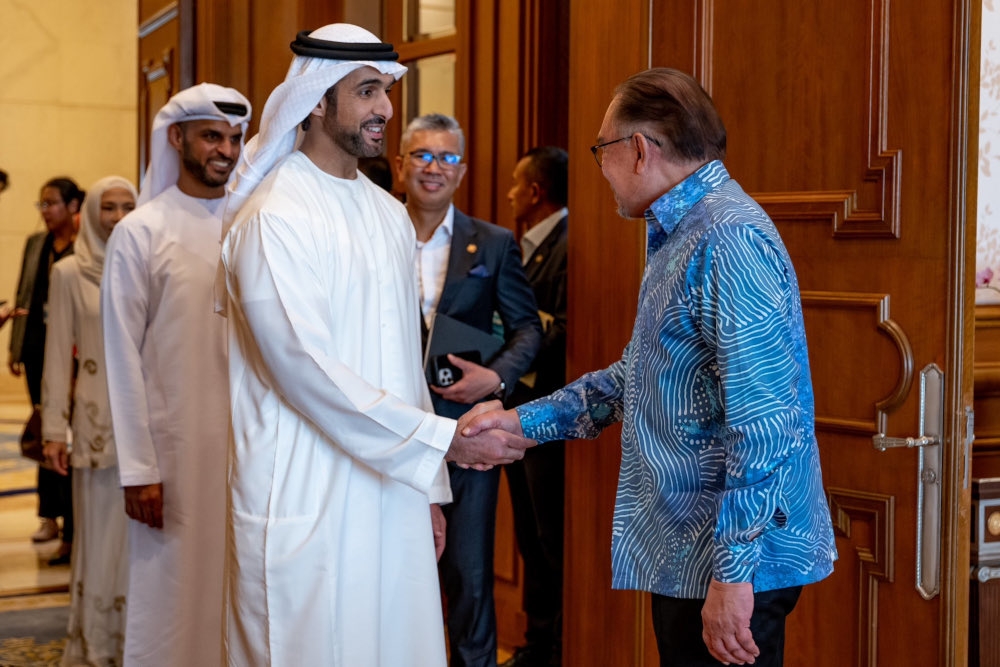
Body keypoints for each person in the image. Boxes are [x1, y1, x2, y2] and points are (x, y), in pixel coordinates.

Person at [464, 67, 838, 667]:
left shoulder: (727, 237)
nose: (600, 171)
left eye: (600, 151)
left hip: (727, 566)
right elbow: (641, 375)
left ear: (638, 149)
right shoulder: (687, 230)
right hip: (696, 556)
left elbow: (765, 422)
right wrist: (522, 424)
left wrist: (732, 576)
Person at [219, 23, 533, 666]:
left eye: (387, 91)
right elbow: (305, 369)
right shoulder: (275, 216)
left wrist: (430, 493)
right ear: (315, 101)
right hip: (303, 494)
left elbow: (401, 364)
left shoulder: (387, 214)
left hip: (392, 494)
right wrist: (441, 442)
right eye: (367, 92)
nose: (386, 109)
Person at [101, 83, 251, 666]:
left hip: (250, 448)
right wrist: (139, 468)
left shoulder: (253, 221)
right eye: (212, 136)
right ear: (177, 138)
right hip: (174, 455)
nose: (226, 151)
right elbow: (121, 356)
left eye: (235, 138)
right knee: (172, 594)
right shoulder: (141, 231)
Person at [394, 113, 541, 667]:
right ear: (402, 162)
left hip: (466, 435)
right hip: (390, 430)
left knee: (469, 574)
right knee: (390, 568)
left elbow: (530, 328)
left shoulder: (495, 243)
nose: (435, 168)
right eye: (423, 155)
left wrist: (497, 379)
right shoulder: (372, 232)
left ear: (462, 169)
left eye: (447, 157)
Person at [42, 176, 137, 667]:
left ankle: (136, 644)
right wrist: (55, 430)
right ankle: (96, 646)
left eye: (127, 206)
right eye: (109, 208)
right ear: (91, 213)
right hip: (97, 428)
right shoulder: (66, 273)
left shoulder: (146, 265)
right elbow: (58, 356)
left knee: (139, 547)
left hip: (147, 431)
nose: (118, 217)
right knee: (99, 541)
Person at [501, 146, 569, 667]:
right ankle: (536, 644)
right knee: (529, 534)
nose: (509, 194)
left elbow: (566, 327)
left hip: (550, 413)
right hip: (519, 410)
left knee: (549, 539)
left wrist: (513, 337)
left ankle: (553, 647)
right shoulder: (525, 246)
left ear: (536, 192)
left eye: (516, 185)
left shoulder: (569, 244)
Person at [9, 177, 84, 563]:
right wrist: (15, 347)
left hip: (74, 358)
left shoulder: (85, 246)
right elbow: (25, 294)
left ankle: (72, 525)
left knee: (67, 437)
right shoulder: (36, 244)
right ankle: (48, 516)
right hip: (39, 352)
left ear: (73, 206)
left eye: (52, 203)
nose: (45, 211)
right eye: (41, 204)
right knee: (45, 433)